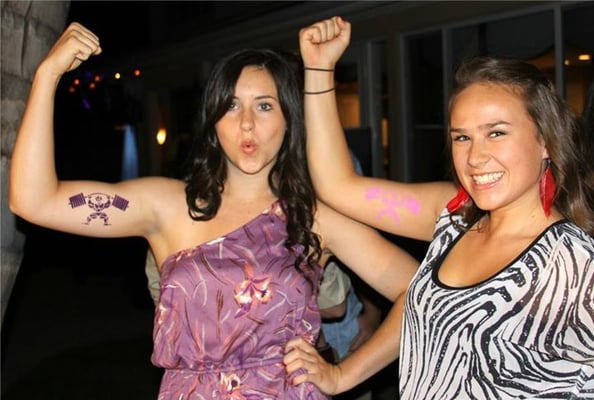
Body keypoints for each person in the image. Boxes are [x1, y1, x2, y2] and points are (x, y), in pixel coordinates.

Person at [8, 22, 420, 399]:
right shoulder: (168, 206)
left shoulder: (312, 218)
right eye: (232, 106)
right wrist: (47, 75)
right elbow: (34, 201)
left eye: (264, 106)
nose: (246, 124)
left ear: (289, 120)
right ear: (213, 119)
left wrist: (343, 375)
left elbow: (419, 293)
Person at [284, 16, 594, 399]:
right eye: (462, 137)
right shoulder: (454, 217)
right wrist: (318, 68)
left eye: (496, 133)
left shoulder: (575, 264)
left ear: (545, 140)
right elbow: (337, 185)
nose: (475, 157)